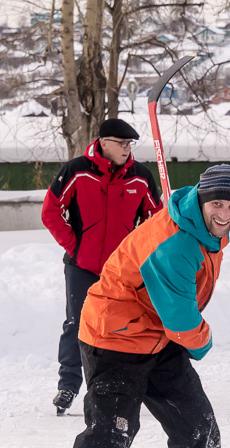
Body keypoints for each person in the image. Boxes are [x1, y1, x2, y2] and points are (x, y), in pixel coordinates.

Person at [44, 164, 230, 448]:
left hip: (155, 335)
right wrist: (203, 340)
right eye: (217, 204)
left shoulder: (201, 227)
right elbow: (182, 319)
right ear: (202, 201)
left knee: (196, 424)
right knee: (110, 433)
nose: (224, 213)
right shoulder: (176, 243)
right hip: (115, 338)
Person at [41, 118, 162, 415]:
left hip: (123, 269)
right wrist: (76, 248)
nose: (126, 149)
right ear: (103, 143)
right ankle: (68, 385)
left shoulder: (140, 177)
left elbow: (157, 220)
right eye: (121, 144)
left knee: (124, 326)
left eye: (129, 144)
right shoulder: (77, 171)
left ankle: (119, 385)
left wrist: (139, 249)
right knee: (77, 324)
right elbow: (50, 212)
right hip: (82, 266)